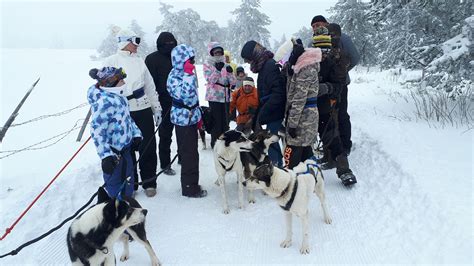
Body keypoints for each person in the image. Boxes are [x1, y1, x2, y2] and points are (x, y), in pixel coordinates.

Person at [103, 29, 162, 197]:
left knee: (148, 146)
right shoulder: (111, 61)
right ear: (125, 42)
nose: (137, 45)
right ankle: (131, 184)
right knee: (127, 149)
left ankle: (149, 182)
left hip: (142, 108)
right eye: (135, 41)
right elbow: (105, 89)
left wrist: (156, 107)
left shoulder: (139, 61)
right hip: (123, 111)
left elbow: (150, 86)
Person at [87, 67, 142, 198]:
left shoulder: (120, 98)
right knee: (115, 182)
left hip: (126, 150)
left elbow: (127, 119)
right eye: (121, 80)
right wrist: (106, 156)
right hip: (113, 155)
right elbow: (97, 131)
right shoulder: (105, 103)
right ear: (110, 83)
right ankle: (116, 208)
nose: (124, 82)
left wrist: (136, 134)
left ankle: (127, 200)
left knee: (128, 178)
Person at [313, 26, 357, 186]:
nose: (322, 51)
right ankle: (303, 172)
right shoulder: (308, 58)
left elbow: (339, 85)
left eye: (324, 47)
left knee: (331, 135)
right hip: (308, 106)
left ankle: (344, 170)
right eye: (318, 46)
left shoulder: (336, 59)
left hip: (325, 103)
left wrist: (327, 88)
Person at [310, 15, 360, 155]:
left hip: (340, 84)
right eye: (313, 26)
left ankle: (345, 146)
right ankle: (331, 151)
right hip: (321, 88)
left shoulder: (343, 38)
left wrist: (340, 72)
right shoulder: (313, 41)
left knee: (341, 114)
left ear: (326, 23)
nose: (316, 27)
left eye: (319, 24)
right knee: (328, 118)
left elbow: (355, 58)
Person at [167, 44, 207, 198]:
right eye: (190, 59)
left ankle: (191, 183)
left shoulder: (183, 73)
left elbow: (194, 98)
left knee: (192, 153)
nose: (193, 62)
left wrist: (198, 116)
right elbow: (187, 96)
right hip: (183, 119)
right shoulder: (175, 76)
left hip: (190, 117)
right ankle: (190, 188)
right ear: (181, 61)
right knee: (189, 154)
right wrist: (189, 74)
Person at [241, 40, 286, 167]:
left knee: (271, 141)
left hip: (275, 111)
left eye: (247, 59)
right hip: (271, 109)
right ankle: (276, 166)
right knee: (271, 141)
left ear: (254, 55)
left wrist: (264, 111)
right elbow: (265, 93)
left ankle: (276, 169)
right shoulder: (264, 65)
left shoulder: (270, 66)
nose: (247, 62)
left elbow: (278, 93)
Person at [282, 40, 322, 169]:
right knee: (305, 149)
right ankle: (310, 177)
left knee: (294, 150)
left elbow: (299, 99)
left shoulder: (305, 70)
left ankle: (293, 180)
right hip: (306, 116)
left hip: (302, 118)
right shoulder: (304, 67)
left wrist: (292, 124)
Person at [145, 32, 178, 176]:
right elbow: (149, 83)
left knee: (184, 132)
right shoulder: (152, 59)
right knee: (165, 134)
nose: (170, 46)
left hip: (180, 100)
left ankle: (183, 157)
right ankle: (165, 164)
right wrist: (155, 105)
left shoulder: (178, 56)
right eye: (167, 44)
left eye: (172, 43)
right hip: (162, 102)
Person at [203, 42, 236, 148]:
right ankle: (216, 143)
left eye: (220, 52)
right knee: (216, 121)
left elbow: (233, 82)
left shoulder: (226, 64)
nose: (218, 54)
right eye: (216, 52)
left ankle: (226, 142)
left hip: (226, 96)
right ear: (211, 53)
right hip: (214, 97)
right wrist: (217, 70)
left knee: (226, 121)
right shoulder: (207, 64)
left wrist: (230, 73)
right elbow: (210, 80)